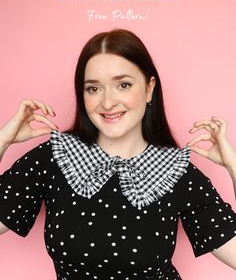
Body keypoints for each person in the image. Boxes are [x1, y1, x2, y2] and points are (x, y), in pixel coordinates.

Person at [0, 29, 236, 280]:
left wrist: (233, 166)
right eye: (93, 89)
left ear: (149, 89)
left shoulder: (176, 171)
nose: (108, 102)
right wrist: (2, 140)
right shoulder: (53, 158)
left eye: (123, 85)